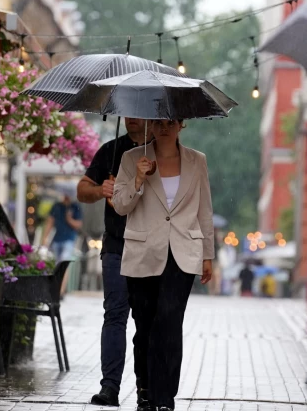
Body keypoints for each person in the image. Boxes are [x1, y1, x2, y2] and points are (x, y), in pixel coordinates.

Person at [112, 119, 214, 411]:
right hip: (143, 253)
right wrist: (138, 181)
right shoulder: (132, 158)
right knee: (144, 326)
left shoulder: (197, 161)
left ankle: (165, 397)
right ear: (151, 125)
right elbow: (120, 205)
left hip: (183, 252)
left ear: (182, 124)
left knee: (169, 322)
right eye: (158, 122)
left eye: (171, 122)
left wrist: (208, 254)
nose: (164, 127)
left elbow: (204, 209)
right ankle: (145, 390)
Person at [77, 118, 152, 408]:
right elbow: (82, 189)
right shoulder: (110, 151)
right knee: (115, 316)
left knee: (145, 321)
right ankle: (109, 387)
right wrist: (101, 190)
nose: (132, 117)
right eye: (128, 110)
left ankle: (145, 389)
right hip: (116, 246)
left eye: (138, 111)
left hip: (149, 248)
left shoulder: (158, 153)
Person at [41, 187, 82, 296]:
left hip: (69, 239)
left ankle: (61, 290)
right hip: (56, 239)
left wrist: (69, 219)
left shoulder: (75, 206)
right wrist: (45, 238)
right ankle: (54, 288)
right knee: (55, 265)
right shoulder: (57, 206)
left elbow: (78, 224)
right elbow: (50, 222)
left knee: (64, 263)